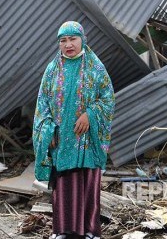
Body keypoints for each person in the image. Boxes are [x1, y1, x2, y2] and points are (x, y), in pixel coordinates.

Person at [33, 21, 115, 239]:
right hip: (61, 139)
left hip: (86, 140)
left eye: (73, 39)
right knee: (64, 184)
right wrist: (47, 130)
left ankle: (90, 230)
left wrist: (90, 114)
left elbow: (108, 99)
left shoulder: (95, 68)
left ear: (83, 40)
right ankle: (63, 230)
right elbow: (42, 105)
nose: (68, 44)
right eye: (63, 40)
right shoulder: (52, 70)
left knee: (87, 182)